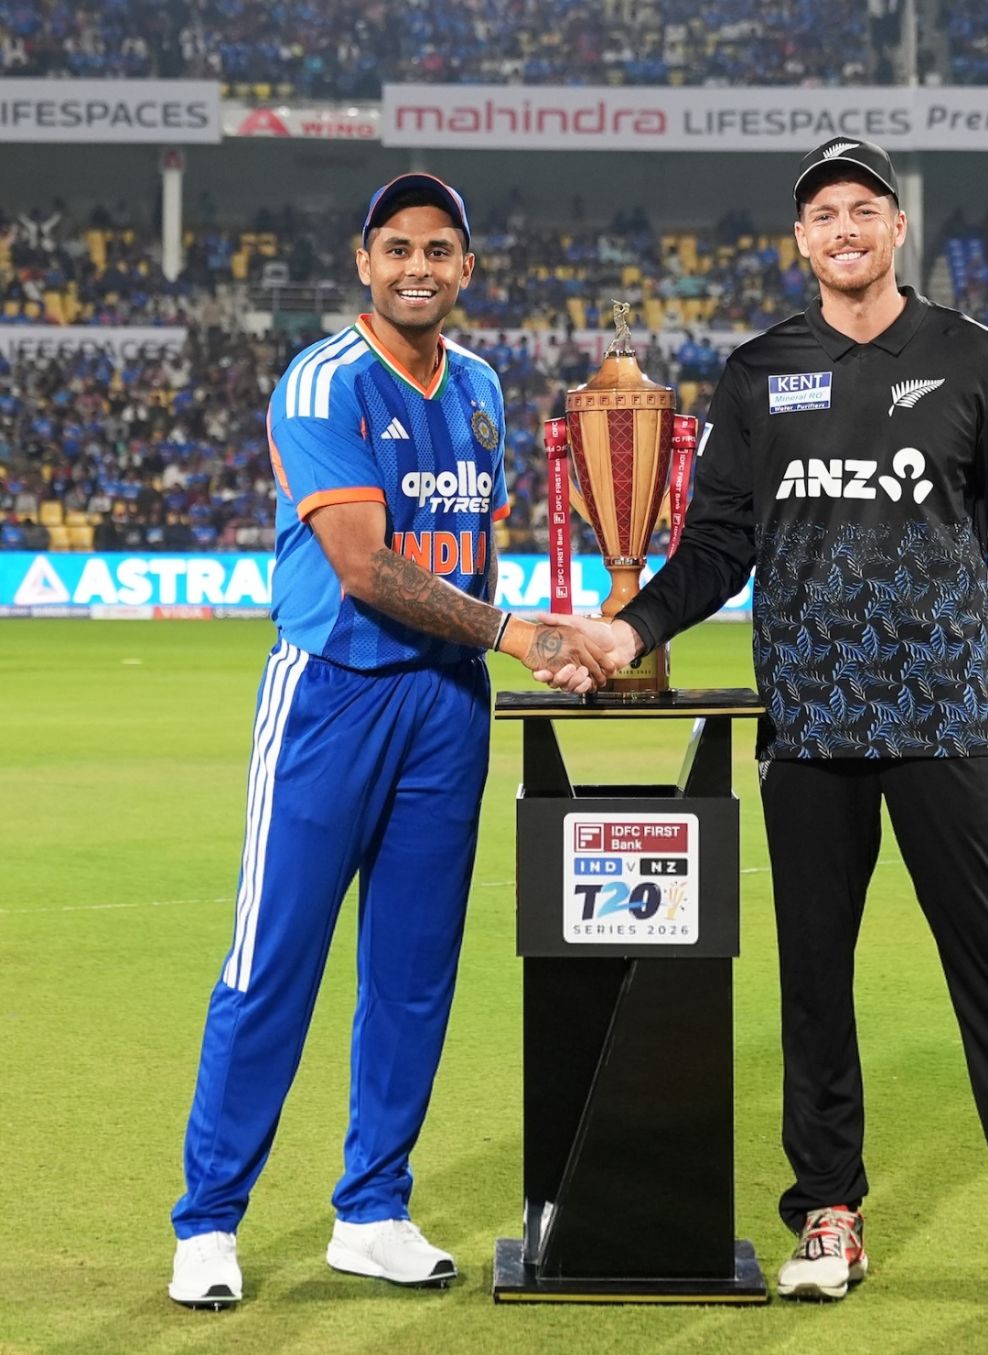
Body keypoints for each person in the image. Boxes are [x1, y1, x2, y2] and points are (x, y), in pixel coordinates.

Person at [543, 139, 988, 1311]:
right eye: (823, 212)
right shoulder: (759, 373)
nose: (844, 227)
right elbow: (716, 544)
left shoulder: (973, 361)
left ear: (895, 228)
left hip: (946, 721)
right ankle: (826, 1208)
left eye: (864, 208)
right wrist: (627, 627)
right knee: (813, 976)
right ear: (799, 240)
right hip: (807, 726)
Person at [169, 172, 615, 1309]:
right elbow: (364, 565)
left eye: (440, 249)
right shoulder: (320, 381)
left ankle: (370, 1207)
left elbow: (477, 539)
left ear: (465, 269)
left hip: (445, 707)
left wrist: (531, 635)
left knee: (412, 975)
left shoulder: (477, 387)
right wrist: (519, 633)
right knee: (271, 963)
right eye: (398, 246)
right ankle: (209, 1221)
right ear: (365, 262)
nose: (418, 265)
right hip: (331, 695)